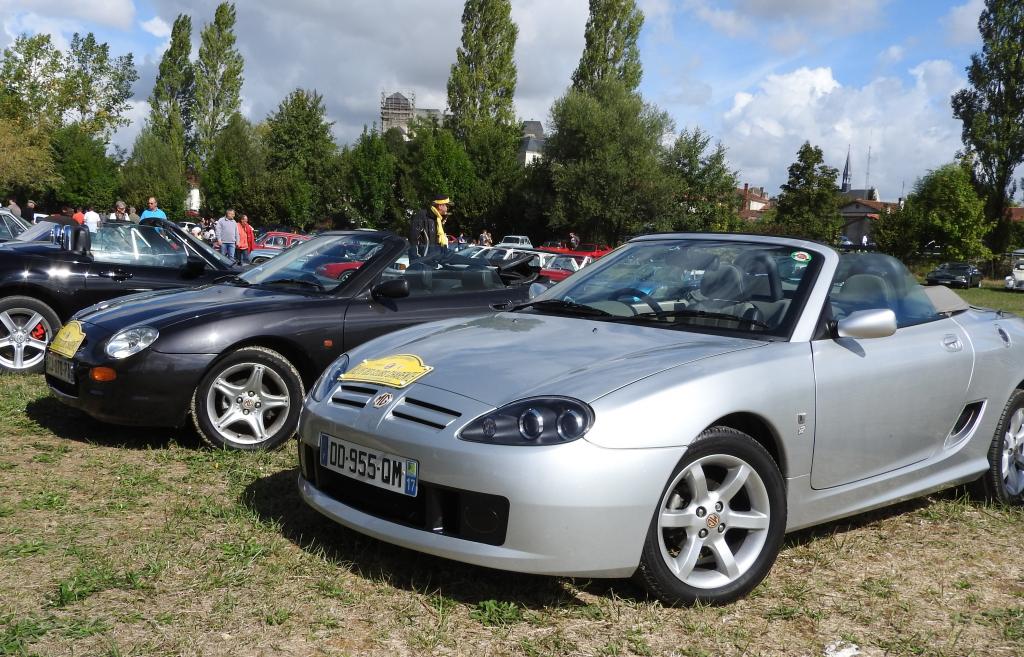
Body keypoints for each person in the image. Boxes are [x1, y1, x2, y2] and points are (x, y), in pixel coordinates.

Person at [409, 194, 451, 258]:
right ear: (440, 206)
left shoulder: (438, 219)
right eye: (447, 205)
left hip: (435, 258)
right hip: (423, 260)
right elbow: (413, 238)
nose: (447, 208)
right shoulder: (422, 216)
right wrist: (415, 259)